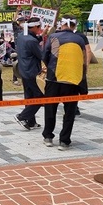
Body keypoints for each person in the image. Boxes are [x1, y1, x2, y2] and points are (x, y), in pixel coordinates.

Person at [41, 17, 87, 151]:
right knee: (70, 112)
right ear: (74, 26)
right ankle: (64, 140)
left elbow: (45, 56)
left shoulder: (53, 37)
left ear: (62, 24)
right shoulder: (80, 39)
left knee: (50, 109)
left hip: (54, 79)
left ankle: (48, 137)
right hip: (73, 80)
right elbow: (83, 60)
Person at [15, 17, 45, 130]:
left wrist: (43, 35)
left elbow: (35, 40)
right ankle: (22, 116)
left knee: (29, 96)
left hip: (23, 70)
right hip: (32, 71)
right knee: (39, 97)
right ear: (35, 27)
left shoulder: (22, 35)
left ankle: (31, 121)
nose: (40, 29)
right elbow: (41, 55)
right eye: (40, 27)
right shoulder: (31, 41)